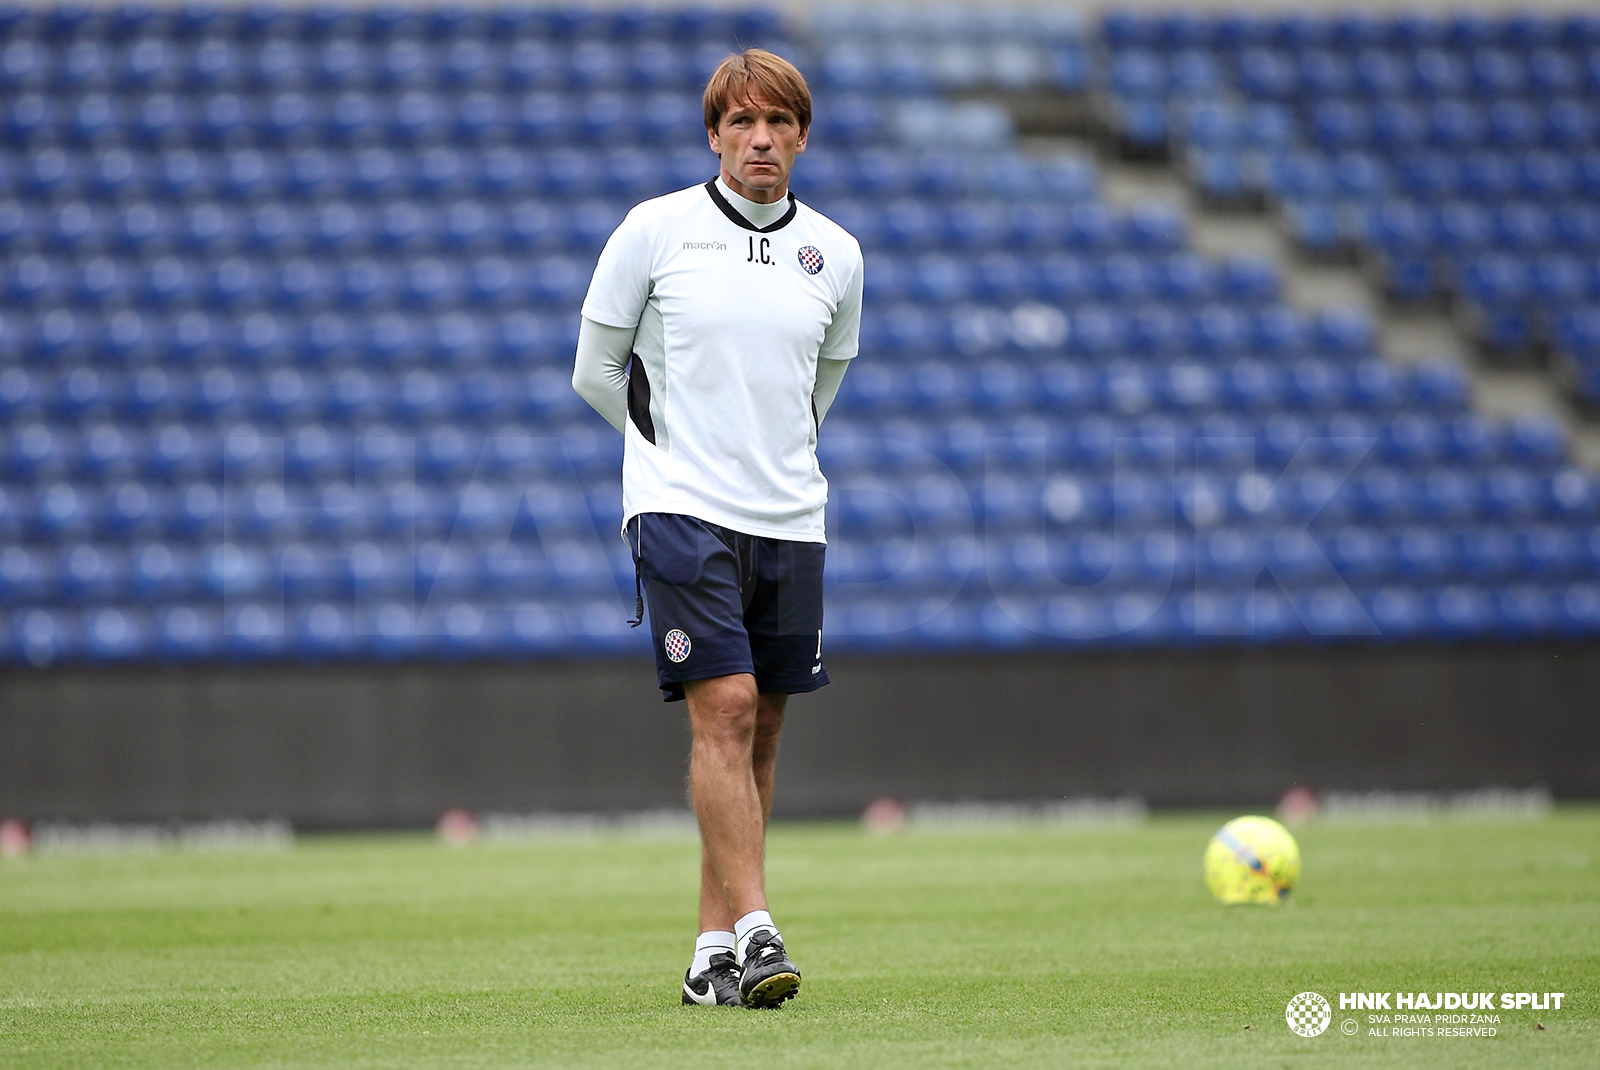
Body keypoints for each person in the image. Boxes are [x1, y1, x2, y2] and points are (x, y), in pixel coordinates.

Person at [572, 49, 863, 1008]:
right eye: (742, 123)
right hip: (680, 509)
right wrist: (663, 448)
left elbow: (824, 381)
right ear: (714, 135)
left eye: (778, 123)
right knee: (728, 707)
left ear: (803, 137)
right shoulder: (656, 231)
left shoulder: (836, 252)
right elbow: (594, 368)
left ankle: (710, 954)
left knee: (764, 728)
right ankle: (758, 928)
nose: (761, 140)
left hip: (790, 516)